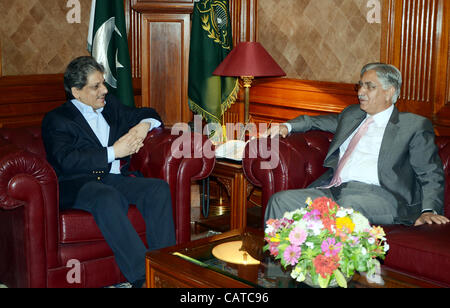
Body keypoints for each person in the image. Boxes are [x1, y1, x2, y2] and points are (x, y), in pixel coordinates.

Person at [42, 56, 176, 287]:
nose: (104, 89)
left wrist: (143, 126)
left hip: (114, 178)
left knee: (157, 189)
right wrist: (114, 152)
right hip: (79, 185)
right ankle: (144, 278)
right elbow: (67, 160)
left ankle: (164, 268)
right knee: (106, 197)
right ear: (76, 91)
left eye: (103, 83)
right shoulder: (57, 119)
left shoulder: (110, 106)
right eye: (96, 86)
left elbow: (148, 113)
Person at [264, 63, 449, 227]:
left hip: (382, 196)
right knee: (280, 201)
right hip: (335, 189)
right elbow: (316, 122)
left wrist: (429, 210)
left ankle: (327, 265)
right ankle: (276, 266)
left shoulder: (412, 126)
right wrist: (287, 126)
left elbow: (430, 172)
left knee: (346, 208)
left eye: (370, 87)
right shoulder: (352, 115)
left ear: (390, 91)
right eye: (360, 85)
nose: (361, 92)